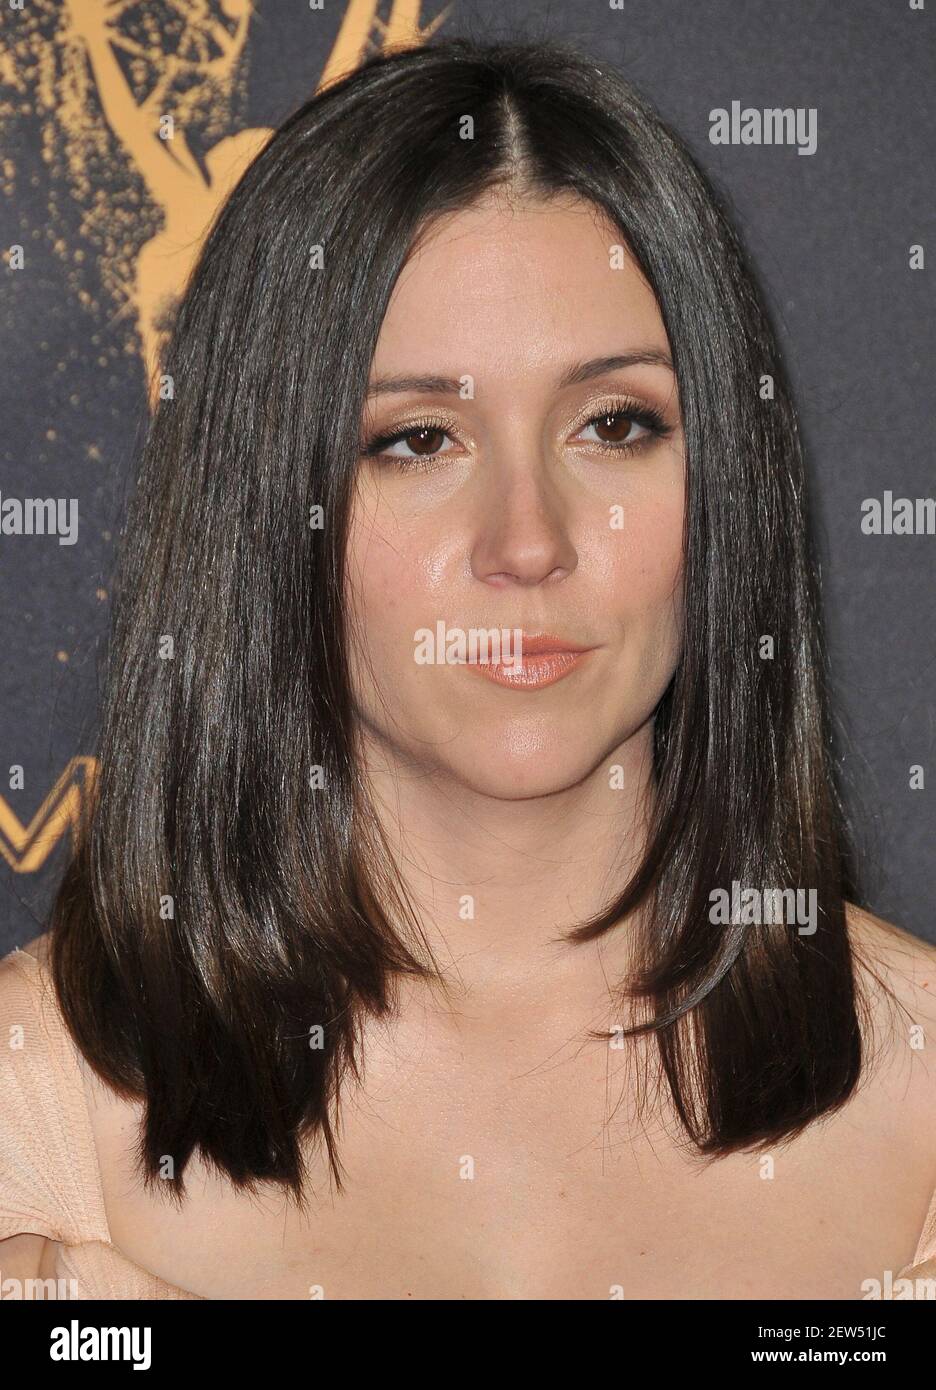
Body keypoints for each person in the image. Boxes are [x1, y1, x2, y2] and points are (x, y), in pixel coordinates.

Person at [2, 34, 935, 1301]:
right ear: (266, 506)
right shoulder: (36, 1101)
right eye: (418, 440)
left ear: (725, 482)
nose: (528, 542)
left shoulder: (921, 1089)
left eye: (614, 424)